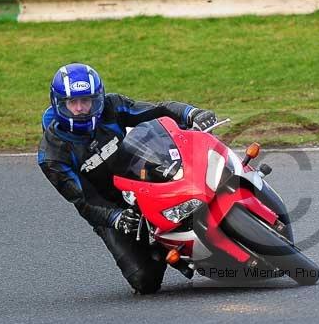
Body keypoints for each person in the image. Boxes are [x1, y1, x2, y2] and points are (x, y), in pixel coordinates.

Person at [37, 63, 217, 294]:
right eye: (73, 103)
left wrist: (191, 113)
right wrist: (115, 217)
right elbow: (83, 200)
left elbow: (158, 111)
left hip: (143, 178)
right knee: (145, 281)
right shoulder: (52, 155)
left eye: (87, 101)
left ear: (98, 98)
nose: (81, 109)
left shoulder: (112, 106)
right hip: (109, 207)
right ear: (59, 104)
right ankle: (163, 248)